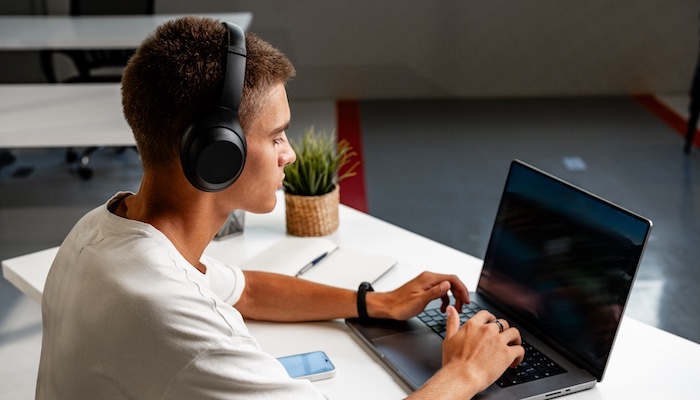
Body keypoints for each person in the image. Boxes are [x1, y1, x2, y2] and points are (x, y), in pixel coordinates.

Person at [36, 16, 523, 399]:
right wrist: (464, 373)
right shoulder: (171, 315)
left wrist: (374, 302)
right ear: (216, 155)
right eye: (276, 136)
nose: (288, 153)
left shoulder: (104, 230)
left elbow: (246, 291)